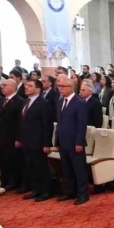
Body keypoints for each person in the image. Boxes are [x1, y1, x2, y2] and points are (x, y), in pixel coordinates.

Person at [53, 75, 89, 205]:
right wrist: (57, 141)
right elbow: (59, 123)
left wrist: (79, 142)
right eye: (59, 86)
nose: (60, 89)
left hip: (75, 142)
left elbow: (82, 125)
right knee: (67, 169)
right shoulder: (60, 101)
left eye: (62, 86)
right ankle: (70, 192)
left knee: (79, 169)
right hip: (63, 141)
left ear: (71, 87)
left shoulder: (79, 102)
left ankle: (83, 194)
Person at [17, 79, 53, 202]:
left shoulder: (44, 103)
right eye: (26, 85)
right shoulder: (25, 101)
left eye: (30, 86)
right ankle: (36, 189)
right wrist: (19, 138)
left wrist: (47, 144)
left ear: (38, 89)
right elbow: (21, 122)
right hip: (26, 141)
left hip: (38, 141)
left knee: (41, 167)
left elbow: (47, 125)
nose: (26, 87)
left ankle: (46, 191)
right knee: (31, 166)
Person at [0, 79, 25, 190]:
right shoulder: (2, 99)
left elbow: (19, 122)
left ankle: (14, 182)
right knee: (4, 159)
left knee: (14, 160)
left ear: (13, 87)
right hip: (2, 135)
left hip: (12, 136)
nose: (2, 87)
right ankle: (6, 180)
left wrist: (18, 138)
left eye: (5, 85)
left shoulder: (19, 101)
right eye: (2, 85)